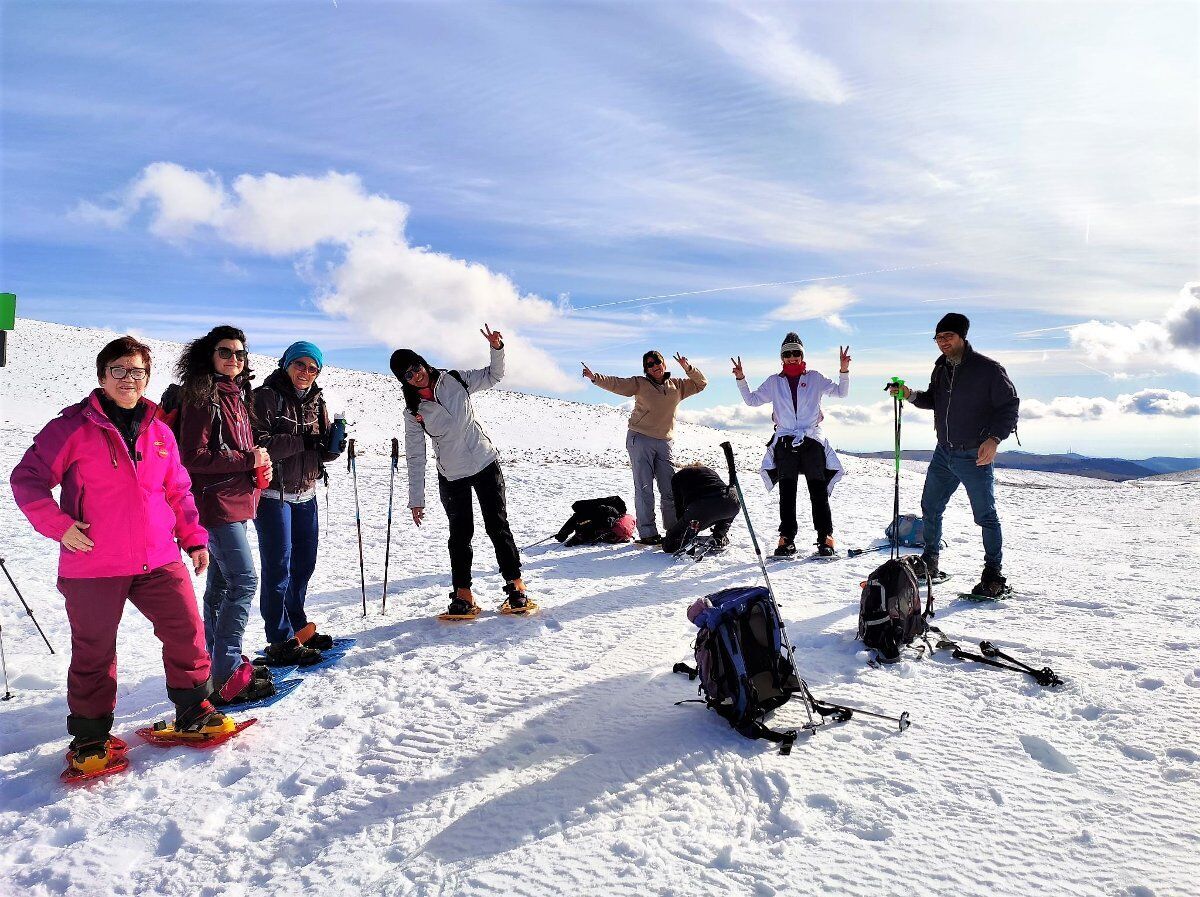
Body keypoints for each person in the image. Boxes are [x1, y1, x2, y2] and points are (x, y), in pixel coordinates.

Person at [11, 336, 235, 774]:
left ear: (147, 378)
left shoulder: (160, 431)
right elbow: (27, 479)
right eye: (120, 370)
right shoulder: (71, 428)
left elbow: (178, 491)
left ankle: (193, 711)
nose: (129, 379)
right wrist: (59, 526)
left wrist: (193, 538)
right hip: (94, 562)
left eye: (138, 372)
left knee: (186, 630)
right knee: (94, 650)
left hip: (158, 557)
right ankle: (91, 737)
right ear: (102, 376)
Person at [392, 324, 529, 616]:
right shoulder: (413, 411)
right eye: (407, 374)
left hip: (484, 463)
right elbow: (416, 457)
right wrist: (416, 498)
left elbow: (494, 375)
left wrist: (496, 349)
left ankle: (516, 587)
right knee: (460, 534)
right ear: (403, 380)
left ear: (422, 362)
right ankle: (463, 594)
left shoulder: (454, 379)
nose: (416, 374)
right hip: (452, 475)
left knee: (497, 525)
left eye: (416, 366)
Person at [175, 325, 276, 705]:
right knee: (244, 582)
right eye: (225, 352)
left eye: (239, 353)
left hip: (236, 500)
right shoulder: (203, 396)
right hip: (216, 505)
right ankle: (228, 671)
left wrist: (256, 458)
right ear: (210, 355)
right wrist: (248, 458)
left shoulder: (234, 393)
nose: (234, 359)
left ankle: (216, 662)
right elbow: (193, 456)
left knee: (221, 587)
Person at [888, 313, 1019, 597]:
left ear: (962, 337)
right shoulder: (941, 368)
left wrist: (994, 439)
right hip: (944, 452)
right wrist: (908, 394)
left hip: (975, 454)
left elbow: (1009, 407)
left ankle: (993, 575)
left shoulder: (988, 369)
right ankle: (930, 562)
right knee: (930, 507)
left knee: (986, 516)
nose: (943, 342)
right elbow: (934, 400)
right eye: (938, 338)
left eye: (948, 336)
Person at [251, 340, 343, 664]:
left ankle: (297, 626)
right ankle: (279, 640)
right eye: (300, 364)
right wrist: (302, 440)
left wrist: (331, 447)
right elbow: (257, 443)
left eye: (312, 367)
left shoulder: (317, 401)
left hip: (306, 493)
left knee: (303, 565)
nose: (305, 372)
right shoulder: (266, 396)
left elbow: (319, 449)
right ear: (286, 364)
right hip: (273, 495)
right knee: (278, 569)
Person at [733, 333, 850, 557]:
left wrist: (843, 370)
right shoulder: (774, 382)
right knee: (788, 491)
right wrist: (741, 379)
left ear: (802, 355)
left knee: (818, 490)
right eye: (787, 354)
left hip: (812, 439)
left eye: (796, 353)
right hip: (786, 440)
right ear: (782, 358)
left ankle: (826, 536)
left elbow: (841, 392)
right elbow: (752, 400)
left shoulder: (815, 378)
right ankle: (786, 538)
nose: (792, 357)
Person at [581, 350, 707, 545]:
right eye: (649, 364)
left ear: (664, 364)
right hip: (640, 439)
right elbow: (617, 383)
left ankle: (673, 529)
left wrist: (688, 368)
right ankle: (648, 533)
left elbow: (701, 383)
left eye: (657, 362)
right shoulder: (640, 383)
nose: (654, 366)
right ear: (645, 368)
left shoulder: (678, 385)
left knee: (670, 488)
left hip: (665, 442)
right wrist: (595, 377)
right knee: (644, 488)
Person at [661, 463, 740, 554]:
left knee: (669, 544)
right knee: (726, 514)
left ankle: (681, 543)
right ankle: (719, 535)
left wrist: (679, 530)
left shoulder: (677, 477)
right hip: (731, 502)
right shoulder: (710, 471)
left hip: (701, 506)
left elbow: (679, 507)